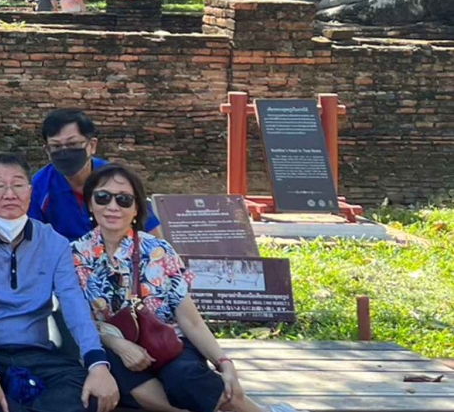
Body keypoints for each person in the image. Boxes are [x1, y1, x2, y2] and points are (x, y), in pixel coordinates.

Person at [72, 163, 294, 412]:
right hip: (116, 345)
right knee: (113, 365)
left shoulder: (158, 251)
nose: (112, 207)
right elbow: (81, 321)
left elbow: (190, 320)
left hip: (168, 341)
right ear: (91, 204)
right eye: (103, 197)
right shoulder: (75, 255)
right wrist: (118, 344)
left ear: (136, 209)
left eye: (123, 200)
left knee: (185, 377)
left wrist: (224, 362)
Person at [0, 153, 120, 412]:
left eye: (17, 184)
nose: (9, 193)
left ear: (30, 191)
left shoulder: (54, 243)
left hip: (38, 354)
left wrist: (97, 363)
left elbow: (73, 303)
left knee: (90, 389)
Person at [30, 109, 159, 242]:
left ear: (92, 145)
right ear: (47, 151)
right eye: (56, 146)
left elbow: (152, 234)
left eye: (73, 144)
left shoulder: (117, 180)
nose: (65, 152)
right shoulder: (40, 187)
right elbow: (34, 241)